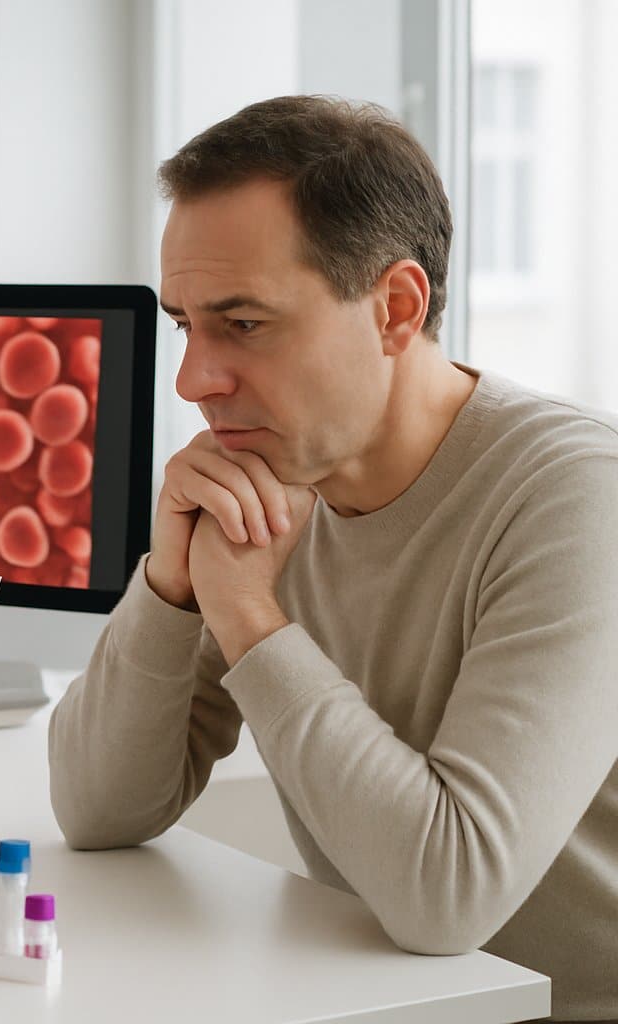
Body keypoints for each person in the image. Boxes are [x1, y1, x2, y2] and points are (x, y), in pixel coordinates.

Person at [48, 96, 618, 1023]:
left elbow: (449, 895)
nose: (194, 381)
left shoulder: (580, 495)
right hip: (398, 999)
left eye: (244, 323)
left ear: (396, 308)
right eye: (186, 325)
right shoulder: (270, 478)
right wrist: (172, 587)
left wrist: (250, 621)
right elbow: (98, 812)